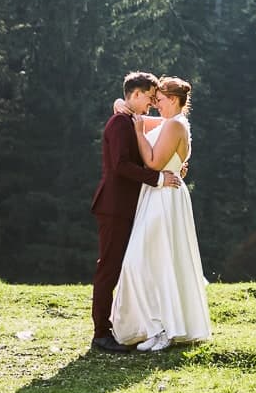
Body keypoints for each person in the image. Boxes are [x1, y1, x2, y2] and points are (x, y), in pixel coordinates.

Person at [110, 76, 212, 351]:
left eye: (161, 100)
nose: (156, 105)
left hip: (164, 197)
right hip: (156, 196)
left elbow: (153, 161)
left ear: (175, 100)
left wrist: (141, 133)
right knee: (150, 262)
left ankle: (166, 328)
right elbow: (133, 118)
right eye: (154, 100)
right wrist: (121, 102)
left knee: (154, 261)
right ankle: (155, 326)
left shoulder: (176, 124)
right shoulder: (170, 123)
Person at [90, 72, 182, 355]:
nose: (152, 105)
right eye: (150, 98)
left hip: (131, 207)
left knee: (127, 267)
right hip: (115, 206)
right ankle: (101, 333)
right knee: (109, 268)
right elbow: (119, 165)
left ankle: (127, 325)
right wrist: (157, 179)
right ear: (138, 94)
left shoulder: (130, 119)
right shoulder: (120, 122)